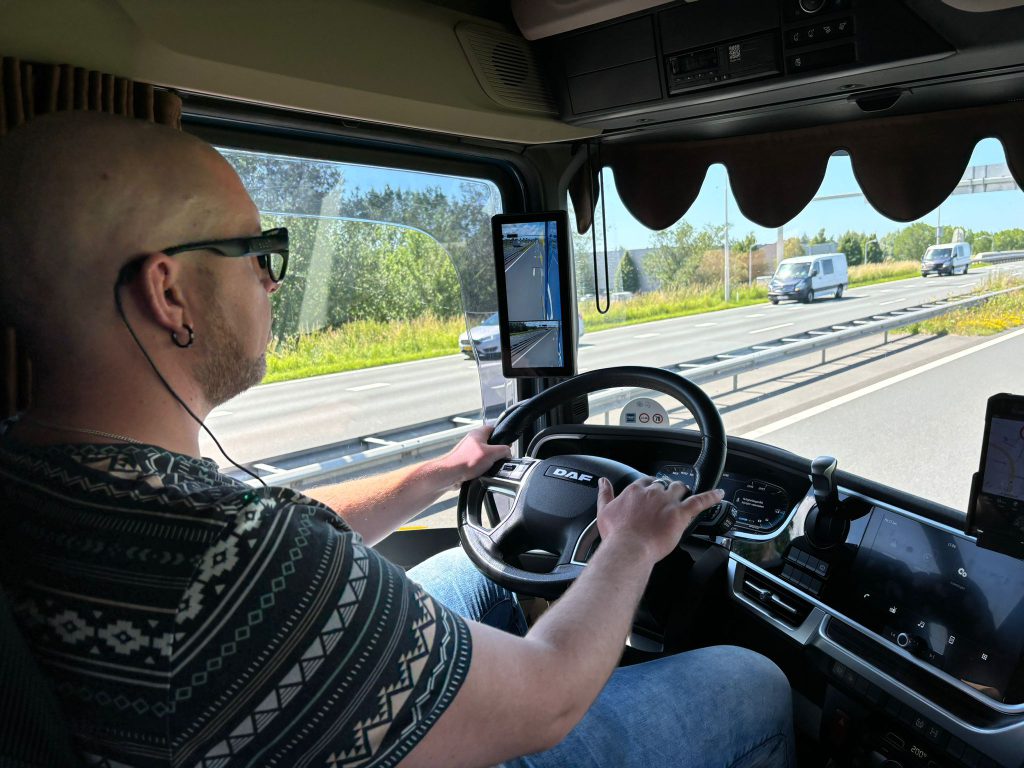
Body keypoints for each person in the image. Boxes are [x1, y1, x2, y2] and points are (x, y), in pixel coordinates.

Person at [0, 111, 794, 768]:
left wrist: (437, 474)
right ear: (168, 293)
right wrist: (630, 545)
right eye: (258, 252)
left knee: (467, 575)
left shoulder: (39, 467)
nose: (273, 281)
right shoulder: (229, 564)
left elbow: (260, 548)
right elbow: (551, 695)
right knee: (749, 680)